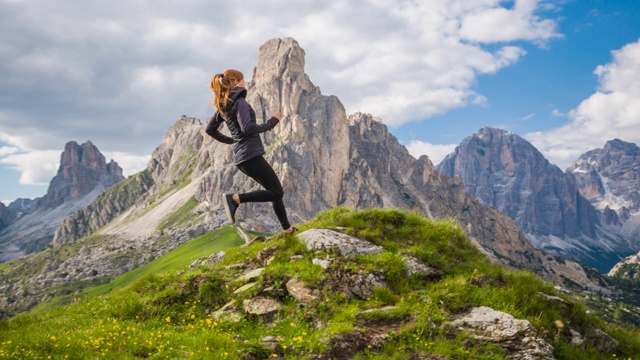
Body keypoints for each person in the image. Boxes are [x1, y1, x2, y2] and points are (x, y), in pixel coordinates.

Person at [206, 69, 297, 235]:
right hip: (250, 155)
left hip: (243, 158)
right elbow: (247, 127)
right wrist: (272, 122)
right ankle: (235, 198)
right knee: (277, 192)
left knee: (274, 192)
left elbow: (210, 129)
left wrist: (232, 140)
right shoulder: (239, 102)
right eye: (242, 80)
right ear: (235, 82)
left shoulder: (224, 105)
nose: (245, 83)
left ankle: (288, 229)